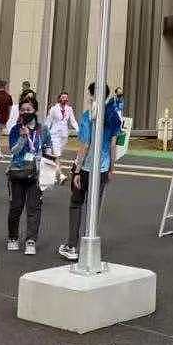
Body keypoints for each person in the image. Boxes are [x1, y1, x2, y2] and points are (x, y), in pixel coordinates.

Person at [58, 82, 120, 261]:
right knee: (94, 206)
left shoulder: (88, 117)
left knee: (76, 203)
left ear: (92, 95)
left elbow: (84, 145)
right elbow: (113, 144)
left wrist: (76, 170)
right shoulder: (114, 117)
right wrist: (111, 168)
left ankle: (72, 245)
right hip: (102, 168)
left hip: (86, 168)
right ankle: (89, 243)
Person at [7, 98, 53, 255]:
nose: (25, 112)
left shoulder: (43, 130)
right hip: (18, 171)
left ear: (35, 111)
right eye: (23, 110)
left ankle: (31, 240)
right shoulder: (15, 129)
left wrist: (50, 165)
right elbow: (13, 151)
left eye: (29, 109)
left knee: (33, 208)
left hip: (36, 173)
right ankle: (13, 237)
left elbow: (48, 150)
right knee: (16, 207)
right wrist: (22, 137)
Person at [46, 92, 78, 185]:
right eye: (63, 97)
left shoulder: (69, 109)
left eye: (66, 98)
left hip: (64, 136)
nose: (65, 99)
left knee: (56, 156)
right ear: (59, 98)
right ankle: (61, 175)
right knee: (56, 156)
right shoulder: (53, 109)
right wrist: (45, 132)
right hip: (54, 135)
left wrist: (79, 130)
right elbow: (49, 121)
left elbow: (73, 120)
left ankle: (53, 174)